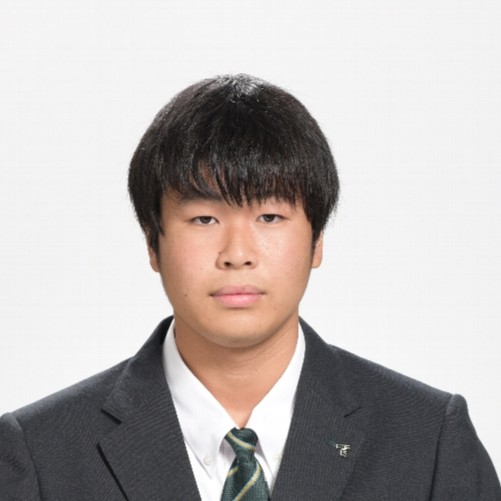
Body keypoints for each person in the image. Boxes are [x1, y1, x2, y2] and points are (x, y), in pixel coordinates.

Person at [0, 74, 499, 501]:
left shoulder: (428, 441)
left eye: (270, 216)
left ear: (316, 241)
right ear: (153, 243)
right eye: (203, 218)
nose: (237, 253)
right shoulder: (41, 454)